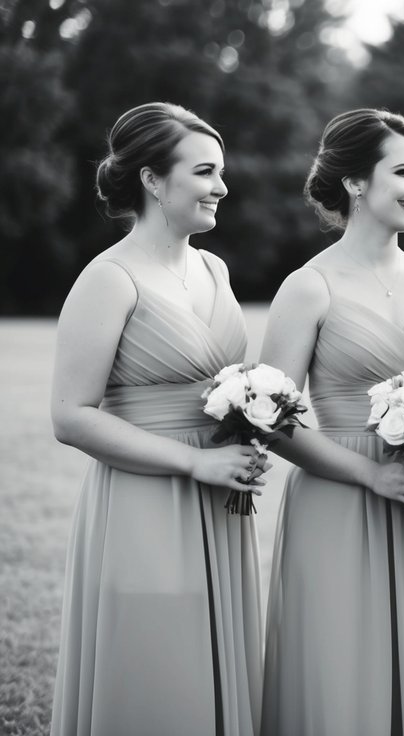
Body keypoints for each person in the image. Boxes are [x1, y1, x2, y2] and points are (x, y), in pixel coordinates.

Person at [50, 102, 263, 735]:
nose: (221, 186)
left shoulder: (214, 269)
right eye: (203, 171)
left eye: (221, 171)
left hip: (221, 504)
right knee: (157, 667)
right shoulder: (109, 278)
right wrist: (195, 460)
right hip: (146, 500)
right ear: (151, 179)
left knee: (219, 664)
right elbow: (70, 416)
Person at [258, 109, 404, 735]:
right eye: (403, 171)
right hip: (339, 501)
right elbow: (268, 416)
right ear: (354, 183)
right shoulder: (309, 286)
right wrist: (372, 478)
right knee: (341, 674)